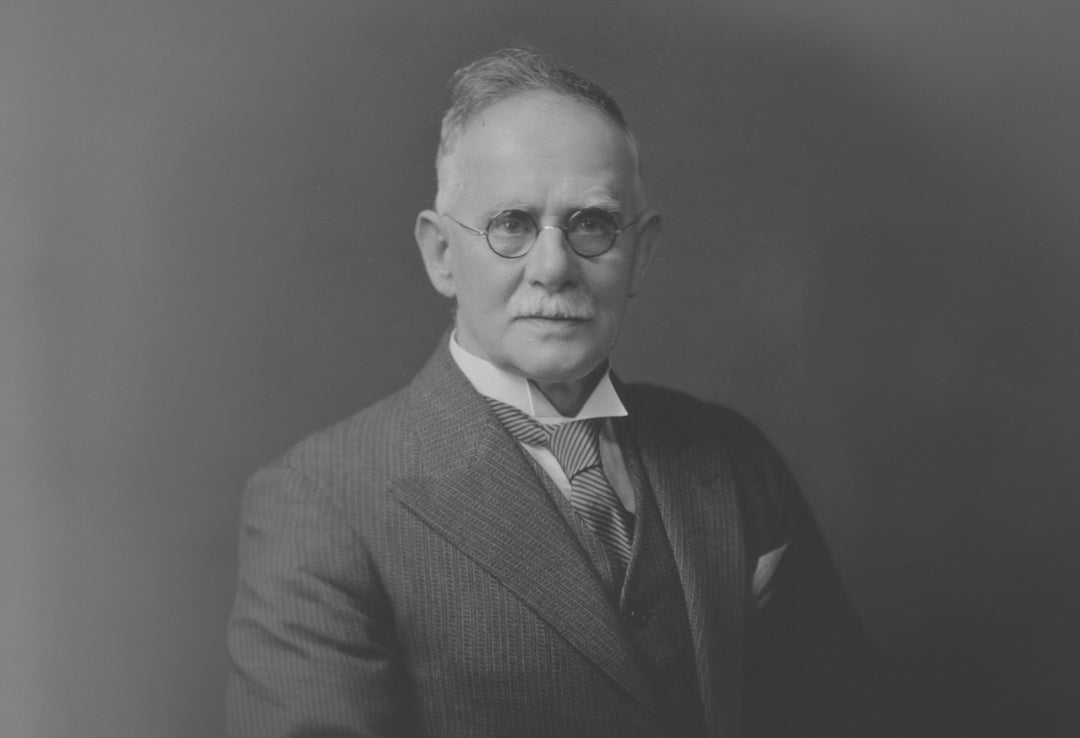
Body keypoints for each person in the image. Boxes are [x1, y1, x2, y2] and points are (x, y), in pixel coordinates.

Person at [227, 48, 901, 738]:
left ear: (640, 254)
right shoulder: (322, 503)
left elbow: (850, 714)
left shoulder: (732, 459)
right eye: (512, 225)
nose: (554, 268)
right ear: (440, 255)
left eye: (592, 225)